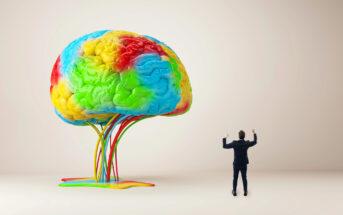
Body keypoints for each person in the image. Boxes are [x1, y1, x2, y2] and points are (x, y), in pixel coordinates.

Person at [223, 129, 257, 196]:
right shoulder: (246, 143)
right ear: (244, 136)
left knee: (235, 178)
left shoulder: (235, 143)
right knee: (244, 177)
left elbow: (224, 146)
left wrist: (225, 137)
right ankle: (245, 192)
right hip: (244, 163)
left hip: (236, 163)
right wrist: (254, 133)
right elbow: (255, 142)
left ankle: (234, 192)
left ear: (238, 136)